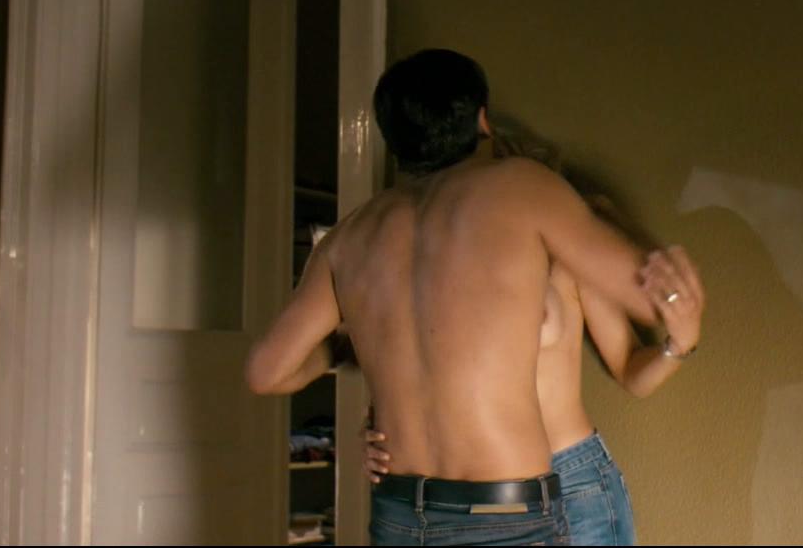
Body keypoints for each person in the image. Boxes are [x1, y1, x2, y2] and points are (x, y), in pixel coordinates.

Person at [245, 49, 678, 545]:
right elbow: (420, 362)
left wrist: (678, 345)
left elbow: (632, 363)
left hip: (565, 477)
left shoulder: (564, 250)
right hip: (451, 496)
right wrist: (377, 406)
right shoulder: (417, 255)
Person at [362, 127, 706, 545]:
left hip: (573, 485)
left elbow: (631, 371)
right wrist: (378, 431)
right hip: (483, 501)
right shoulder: (443, 274)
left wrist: (678, 344)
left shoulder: (569, 261)